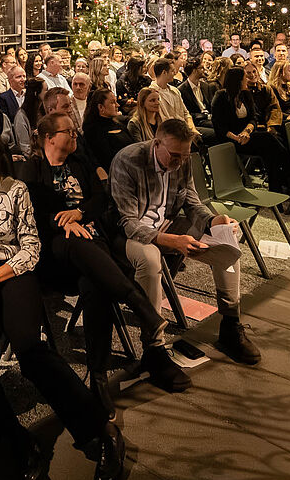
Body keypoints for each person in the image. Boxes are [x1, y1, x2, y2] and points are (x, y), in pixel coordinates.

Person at [0, 128, 127, 480]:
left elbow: (30, 248)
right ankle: (13, 440)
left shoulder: (16, 190)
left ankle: (99, 430)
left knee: (28, 346)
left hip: (13, 272)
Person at [21, 111, 185, 397]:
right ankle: (139, 304)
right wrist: (64, 222)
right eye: (69, 131)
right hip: (56, 251)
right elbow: (32, 211)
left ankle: (98, 378)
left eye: (75, 130)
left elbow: (101, 198)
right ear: (49, 138)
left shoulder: (79, 162)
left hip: (94, 246)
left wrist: (80, 213)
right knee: (76, 243)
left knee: (96, 285)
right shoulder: (32, 169)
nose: (75, 135)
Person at [108, 119, 263, 365]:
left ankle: (230, 322)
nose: (180, 161)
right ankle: (153, 346)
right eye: (174, 156)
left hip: (166, 224)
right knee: (150, 258)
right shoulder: (128, 160)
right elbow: (128, 222)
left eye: (185, 156)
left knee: (225, 235)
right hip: (130, 235)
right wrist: (172, 240)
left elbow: (192, 202)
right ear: (156, 144)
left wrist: (213, 220)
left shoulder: (182, 157)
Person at [211, 66, 290, 191]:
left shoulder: (246, 94)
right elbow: (219, 126)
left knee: (271, 151)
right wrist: (237, 137)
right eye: (245, 77)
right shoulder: (220, 97)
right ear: (238, 81)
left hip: (247, 135)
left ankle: (277, 187)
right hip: (231, 139)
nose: (248, 80)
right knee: (269, 140)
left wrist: (246, 131)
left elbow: (253, 118)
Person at [82, 87, 130, 171]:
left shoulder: (119, 124)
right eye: (113, 102)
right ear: (101, 107)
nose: (118, 105)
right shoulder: (93, 131)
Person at [3, 77, 44, 157]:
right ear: (36, 93)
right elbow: (25, 147)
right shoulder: (21, 116)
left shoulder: (43, 110)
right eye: (45, 90)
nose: (48, 93)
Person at [147, 56, 191, 125]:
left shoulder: (175, 91)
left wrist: (192, 128)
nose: (175, 73)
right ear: (164, 72)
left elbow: (186, 113)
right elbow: (161, 121)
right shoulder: (152, 94)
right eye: (172, 71)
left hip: (183, 126)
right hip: (170, 129)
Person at [177, 56, 213, 131]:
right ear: (194, 71)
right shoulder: (182, 90)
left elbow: (210, 105)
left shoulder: (205, 86)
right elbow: (186, 113)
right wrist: (205, 116)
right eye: (201, 68)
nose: (204, 70)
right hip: (196, 122)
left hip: (209, 118)